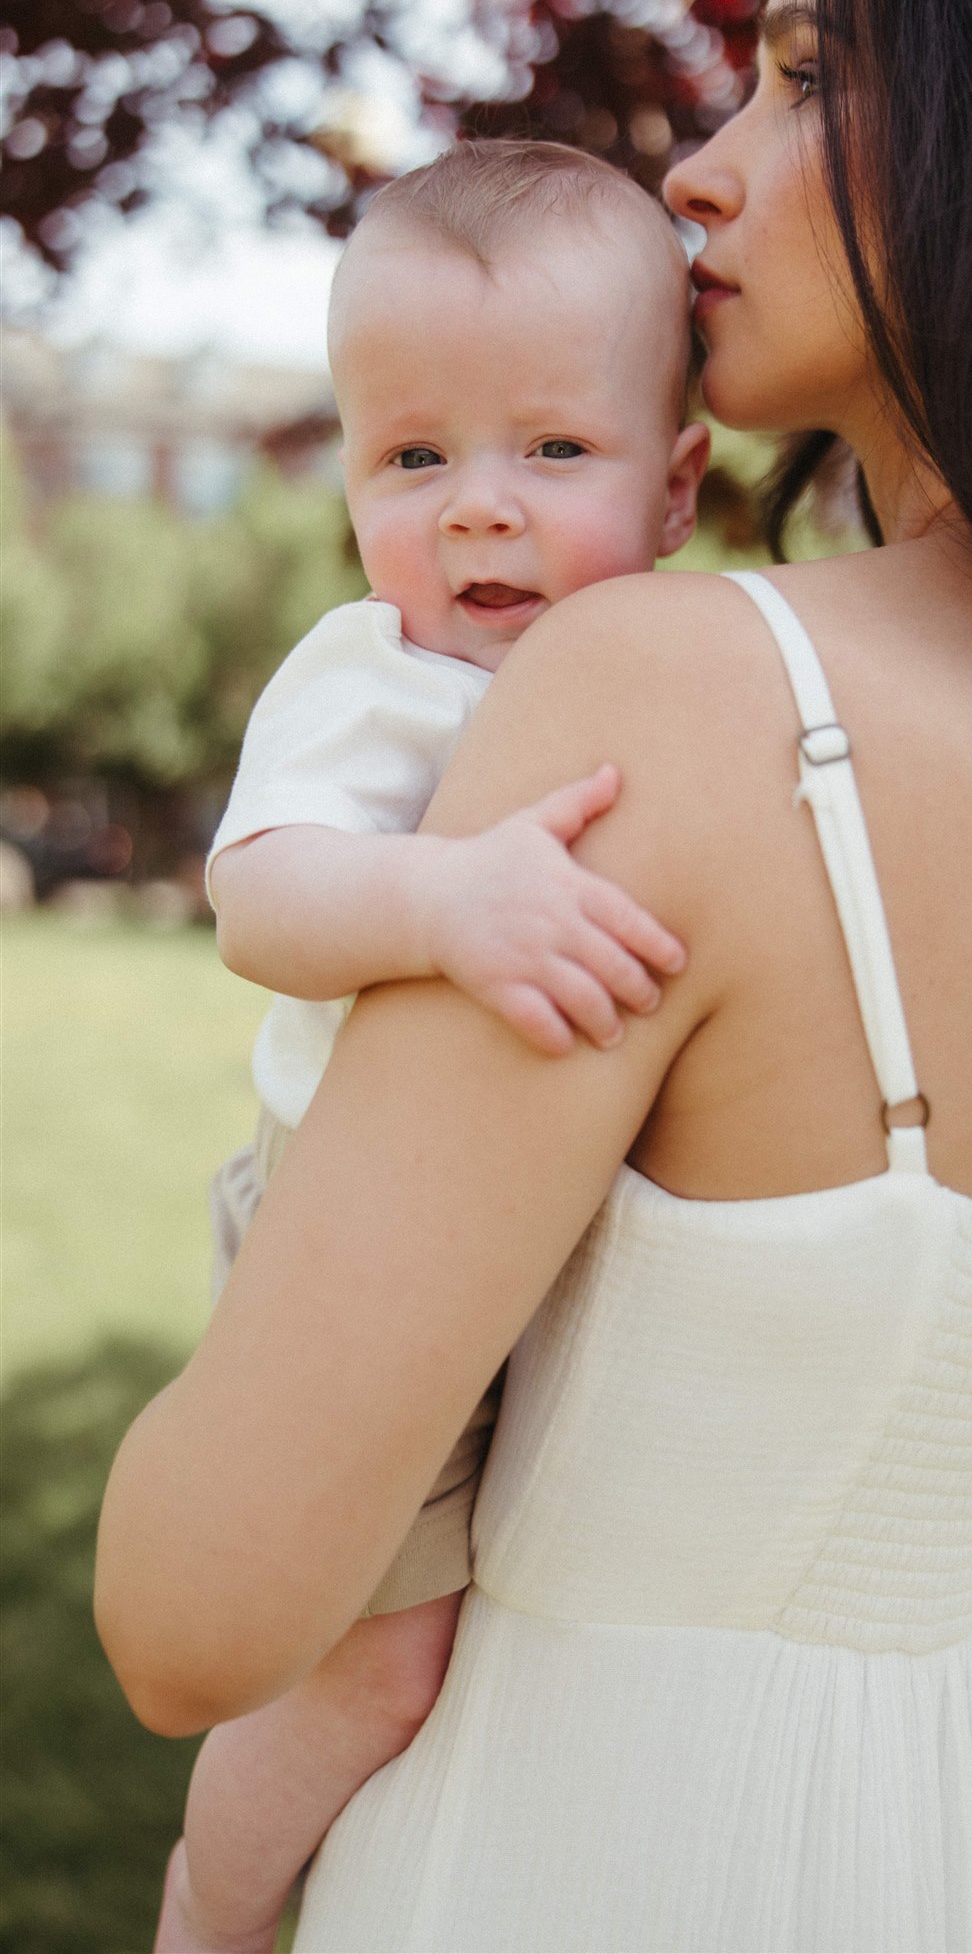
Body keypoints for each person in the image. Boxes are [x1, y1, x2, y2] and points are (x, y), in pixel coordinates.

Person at [98, 0, 972, 1948]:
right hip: (970, 1842)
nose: (695, 163)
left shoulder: (671, 693)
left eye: (805, 76)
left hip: (563, 1851)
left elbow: (194, 1611)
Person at [154, 140, 707, 1953]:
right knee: (374, 1666)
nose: (476, 509)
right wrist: (441, 904)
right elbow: (263, 898)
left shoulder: (680, 661)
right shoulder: (372, 679)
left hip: (522, 1242)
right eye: (413, 456)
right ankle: (213, 1906)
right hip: (346, 1241)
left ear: (681, 482)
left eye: (551, 450)